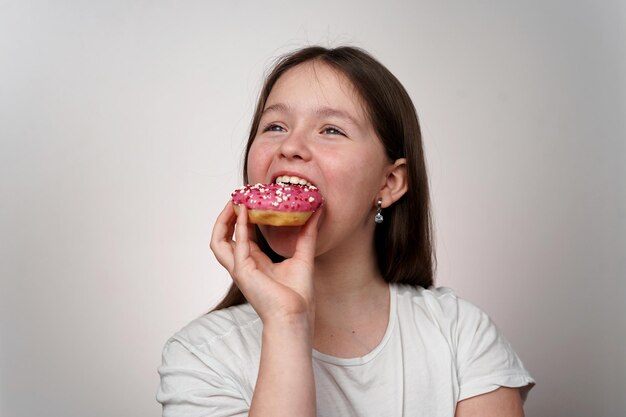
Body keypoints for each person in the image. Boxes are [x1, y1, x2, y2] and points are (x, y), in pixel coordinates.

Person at [156, 45, 535, 417]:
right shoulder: (200, 354)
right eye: (274, 126)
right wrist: (288, 321)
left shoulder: (461, 336)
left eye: (331, 129)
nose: (289, 146)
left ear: (389, 182)